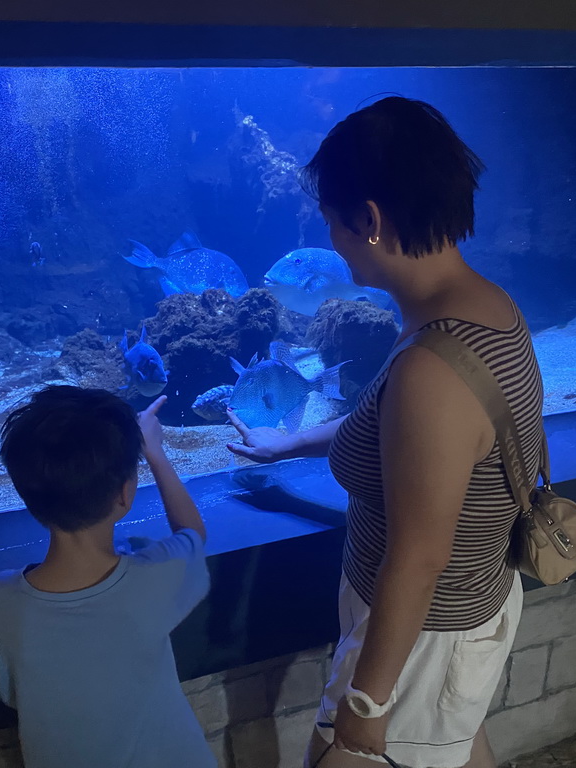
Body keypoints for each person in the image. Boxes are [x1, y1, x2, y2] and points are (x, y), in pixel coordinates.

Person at [227, 97, 544, 768]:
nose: (332, 242)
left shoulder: (434, 366)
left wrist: (365, 712)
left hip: (425, 639)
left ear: (367, 221)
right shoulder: (483, 306)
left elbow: (419, 556)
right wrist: (290, 443)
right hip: (464, 612)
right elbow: (407, 437)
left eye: (331, 225)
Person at [0, 386, 215, 768]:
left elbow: (1, 685)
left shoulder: (1, 600)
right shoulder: (154, 576)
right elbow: (193, 534)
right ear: (125, 494)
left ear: (26, 496)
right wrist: (155, 453)